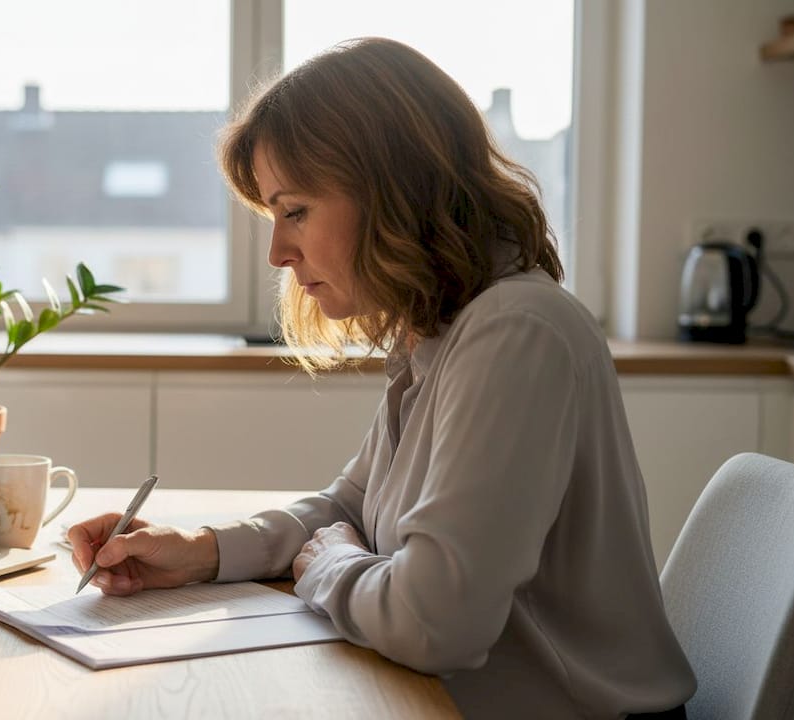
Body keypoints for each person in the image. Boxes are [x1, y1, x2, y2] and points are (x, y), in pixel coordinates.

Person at [68, 37, 695, 720]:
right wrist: (199, 552)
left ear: (393, 190)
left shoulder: (516, 333)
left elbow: (434, 621)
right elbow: (351, 508)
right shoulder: (442, 330)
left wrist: (329, 567)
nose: (279, 252)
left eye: (295, 211)